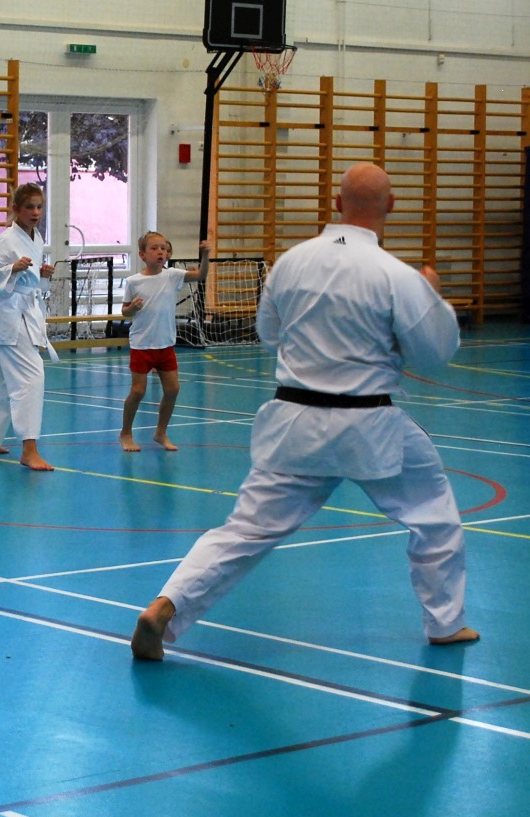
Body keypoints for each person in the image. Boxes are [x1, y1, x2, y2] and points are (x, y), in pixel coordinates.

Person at [131, 162, 480, 660]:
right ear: (392, 205)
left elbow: (270, 335)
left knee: (245, 529)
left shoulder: (291, 263)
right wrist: (432, 298)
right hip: (369, 424)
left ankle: (165, 606)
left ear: (336, 204)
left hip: (295, 421)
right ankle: (445, 623)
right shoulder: (397, 276)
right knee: (434, 516)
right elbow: (435, 353)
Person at [0, 183, 56, 471]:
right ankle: (29, 449)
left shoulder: (35, 237)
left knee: (2, 384)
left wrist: (42, 276)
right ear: (15, 209)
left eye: (39, 207)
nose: (36, 212)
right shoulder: (6, 239)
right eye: (29, 207)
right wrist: (11, 269)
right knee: (32, 379)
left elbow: (30, 283)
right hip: (10, 316)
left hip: (26, 313)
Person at [118, 231, 210, 452]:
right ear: (142, 254)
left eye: (163, 248)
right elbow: (125, 312)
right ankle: (126, 433)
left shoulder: (173, 276)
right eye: (154, 248)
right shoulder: (133, 281)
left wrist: (205, 256)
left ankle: (161, 432)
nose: (160, 252)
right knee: (138, 391)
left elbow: (200, 275)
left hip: (165, 344)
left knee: (173, 389)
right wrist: (133, 308)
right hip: (142, 344)